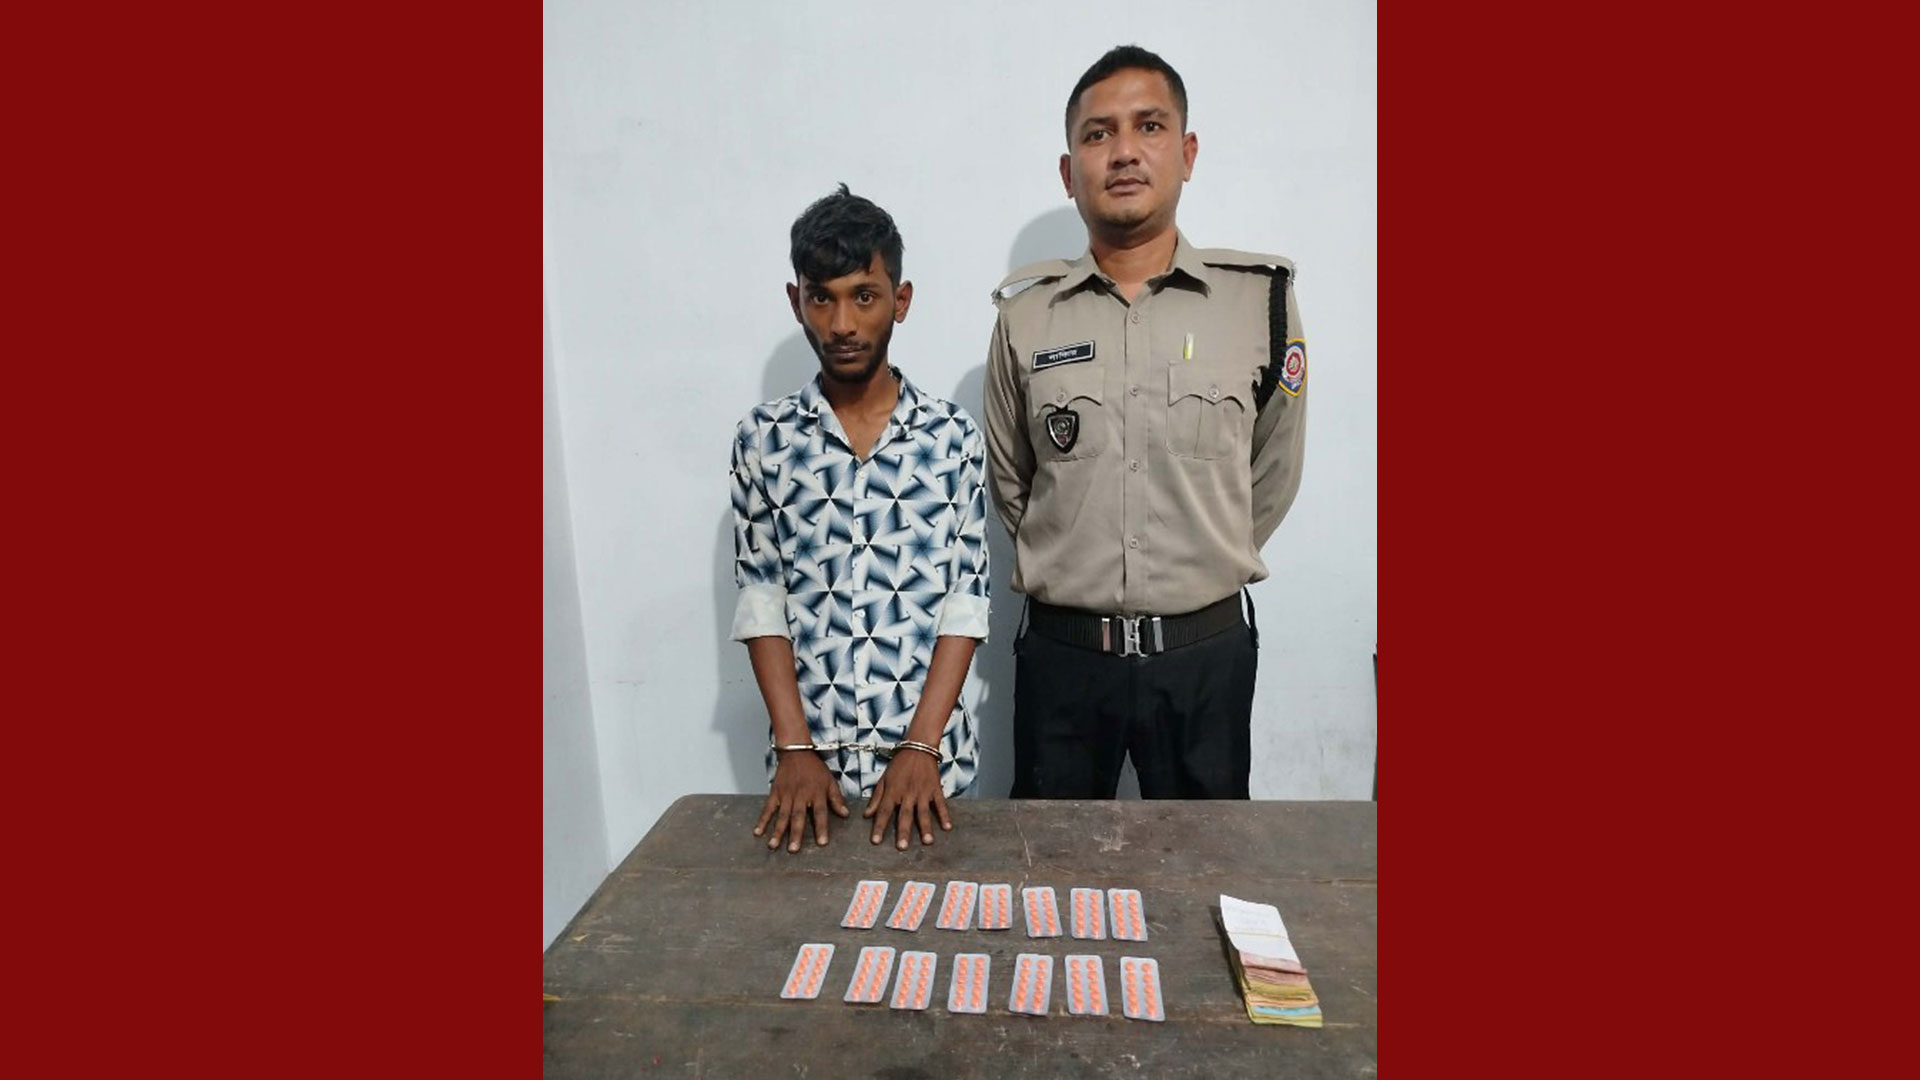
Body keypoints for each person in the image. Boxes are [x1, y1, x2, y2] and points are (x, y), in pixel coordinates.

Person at [984, 45, 1308, 800]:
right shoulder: (1025, 317)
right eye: (1097, 134)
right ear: (1069, 171)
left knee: (1207, 863)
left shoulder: (1257, 302)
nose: (1124, 151)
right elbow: (1012, 481)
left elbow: (1273, 467)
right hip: (1065, 661)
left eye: (1149, 126)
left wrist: (1205, 552)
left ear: (1187, 153)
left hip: (1205, 657)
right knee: (1051, 866)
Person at [731, 184, 991, 851]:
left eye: (864, 296)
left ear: (900, 301)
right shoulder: (765, 439)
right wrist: (794, 748)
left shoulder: (950, 437)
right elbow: (762, 599)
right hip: (808, 777)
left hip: (931, 771)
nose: (842, 323)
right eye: (821, 297)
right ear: (796, 301)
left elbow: (965, 603)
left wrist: (921, 748)